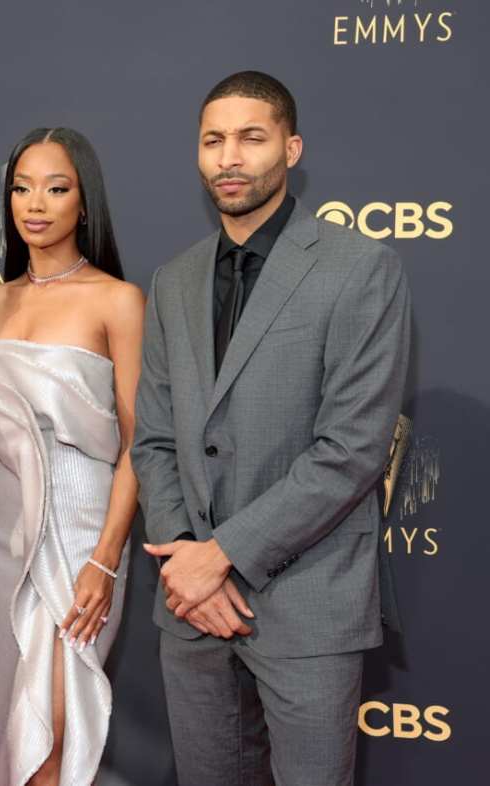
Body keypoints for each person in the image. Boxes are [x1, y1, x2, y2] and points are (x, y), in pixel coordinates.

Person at [132, 71, 411, 786]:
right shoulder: (174, 279)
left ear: (290, 149)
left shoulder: (360, 269)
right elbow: (155, 438)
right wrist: (187, 561)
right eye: (213, 140)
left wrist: (220, 555)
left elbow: (353, 450)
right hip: (192, 609)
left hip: (307, 603)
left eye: (251, 138)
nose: (230, 157)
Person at [0, 127, 144, 786]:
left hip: (78, 546)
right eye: (21, 186)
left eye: (56, 187)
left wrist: (105, 558)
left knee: (53, 743)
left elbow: (138, 445)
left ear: (84, 203)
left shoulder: (117, 301)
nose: (34, 203)